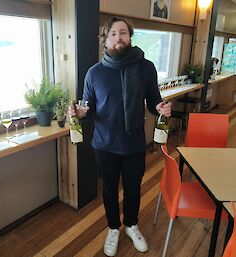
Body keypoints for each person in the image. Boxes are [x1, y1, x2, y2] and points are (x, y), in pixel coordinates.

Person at [69, 17, 171, 256]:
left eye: (123, 33)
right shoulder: (94, 73)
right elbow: (89, 106)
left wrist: (161, 108)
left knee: (134, 189)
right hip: (104, 144)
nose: (118, 38)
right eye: (113, 34)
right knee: (109, 190)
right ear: (105, 40)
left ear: (130, 36)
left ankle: (131, 225)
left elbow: (154, 101)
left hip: (134, 143)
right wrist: (81, 111)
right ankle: (113, 227)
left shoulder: (145, 67)